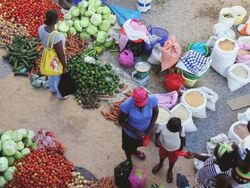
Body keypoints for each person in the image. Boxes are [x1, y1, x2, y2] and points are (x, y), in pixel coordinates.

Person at [118, 87, 159, 164]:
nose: (141, 106)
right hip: (130, 134)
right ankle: (129, 160)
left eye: (143, 104)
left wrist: (150, 128)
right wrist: (135, 131)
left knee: (137, 145)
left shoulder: (152, 100)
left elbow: (155, 113)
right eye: (139, 104)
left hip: (144, 133)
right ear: (133, 99)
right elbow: (121, 121)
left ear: (147, 97)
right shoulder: (126, 105)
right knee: (128, 149)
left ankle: (135, 151)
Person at [38, 10, 67, 99]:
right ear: (56, 21)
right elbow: (60, 54)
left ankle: (53, 89)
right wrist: (64, 66)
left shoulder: (41, 28)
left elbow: (43, 39)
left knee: (50, 72)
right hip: (55, 59)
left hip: (47, 55)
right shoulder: (58, 36)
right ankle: (61, 95)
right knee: (58, 75)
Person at [152, 117, 186, 183]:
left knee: (172, 161)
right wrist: (156, 141)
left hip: (175, 150)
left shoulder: (181, 129)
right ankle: (160, 164)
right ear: (168, 125)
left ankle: (170, 170)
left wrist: (181, 148)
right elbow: (157, 133)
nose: (173, 132)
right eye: (171, 130)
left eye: (174, 131)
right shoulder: (162, 126)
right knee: (161, 157)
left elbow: (183, 138)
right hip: (163, 147)